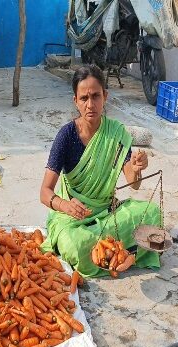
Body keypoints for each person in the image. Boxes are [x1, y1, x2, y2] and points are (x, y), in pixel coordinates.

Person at [39, 65, 161, 277]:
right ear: (75, 101)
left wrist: (137, 167)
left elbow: (134, 184)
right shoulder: (66, 136)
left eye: (96, 96)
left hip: (107, 213)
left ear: (105, 96)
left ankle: (119, 255)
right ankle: (126, 251)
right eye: (84, 98)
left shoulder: (116, 133)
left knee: (153, 213)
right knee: (75, 244)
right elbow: (45, 192)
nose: (90, 104)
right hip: (74, 218)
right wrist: (65, 206)